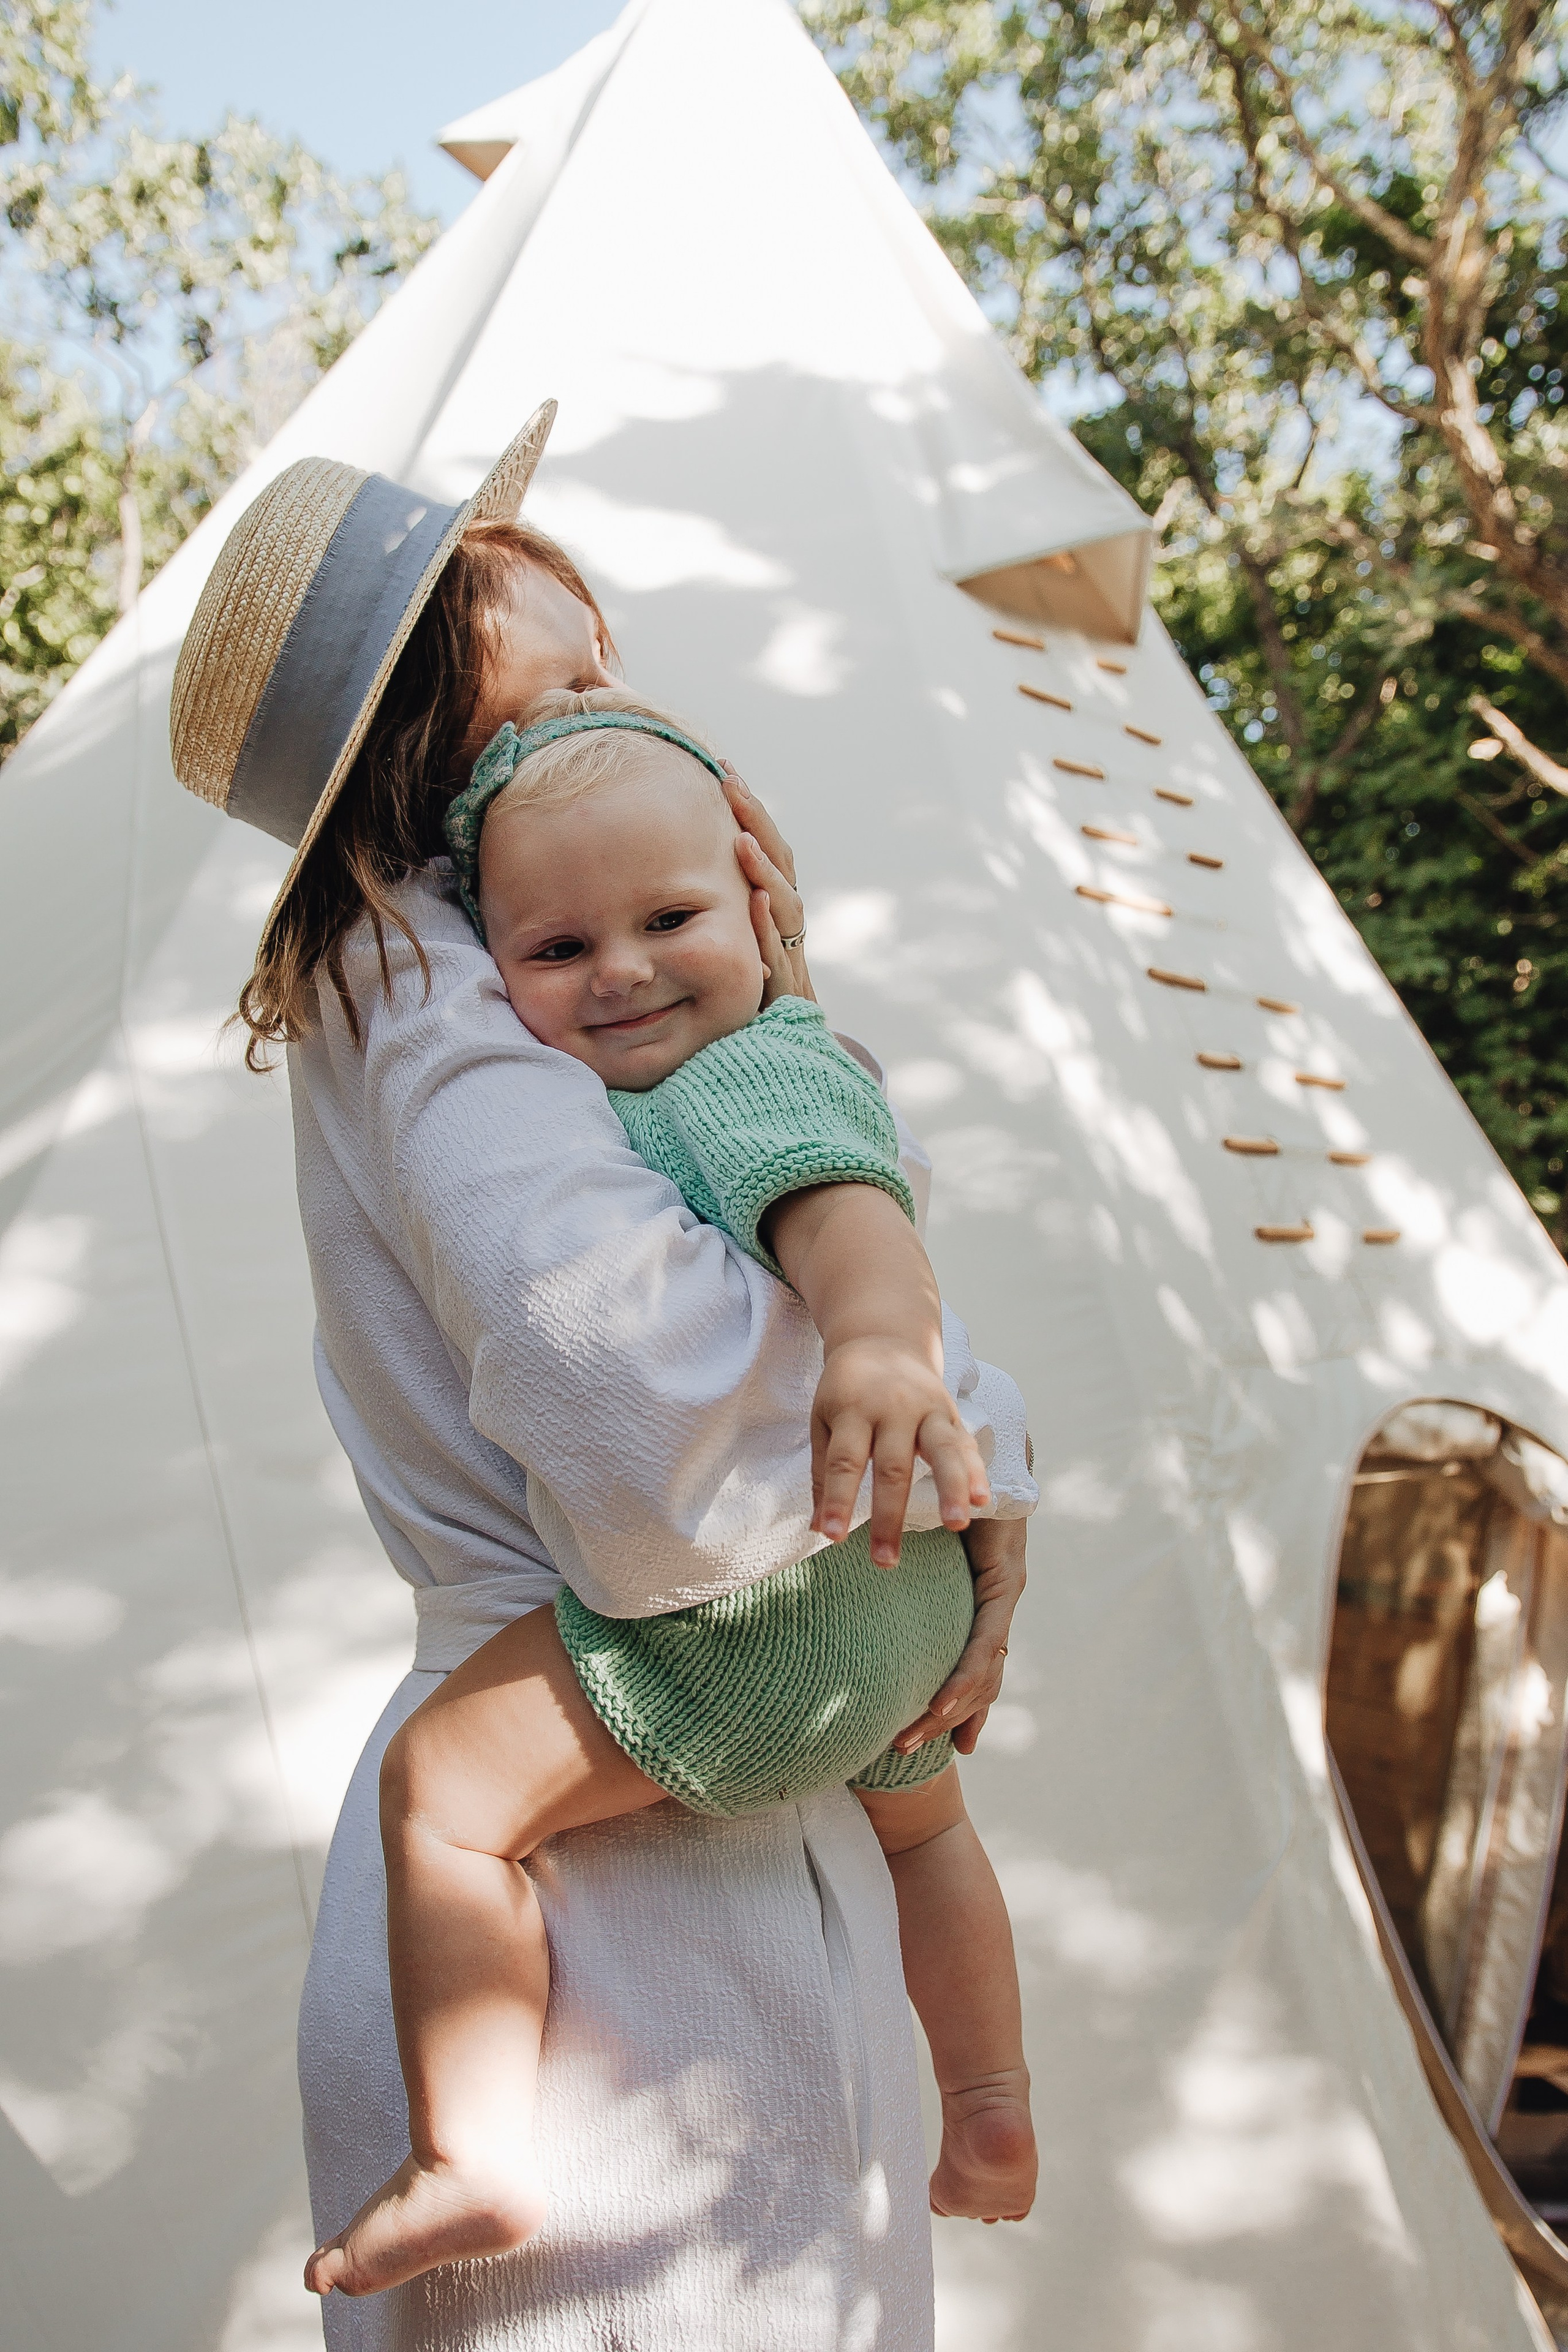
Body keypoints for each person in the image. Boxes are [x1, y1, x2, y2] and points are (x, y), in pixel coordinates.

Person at [170, 405, 1033, 2352]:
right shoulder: (439, 981)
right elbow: (645, 1419)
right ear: (426, 789)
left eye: (602, 660)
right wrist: (919, 1497)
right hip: (628, 1960)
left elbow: (823, 1253)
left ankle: (989, 2097)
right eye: (547, 699)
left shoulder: (574, 965)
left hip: (708, 1854)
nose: (611, 717)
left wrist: (974, 1470)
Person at [302, 686, 1039, 2298]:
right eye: (558, 955)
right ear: (488, 946)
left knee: (444, 1799)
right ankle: (989, 2106)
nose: (622, 971)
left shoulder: (745, 1078)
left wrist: (885, 1351)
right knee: (929, 1841)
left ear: (758, 904)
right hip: (898, 1608)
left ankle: (472, 2156)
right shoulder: (719, 1055)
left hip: (766, 1618)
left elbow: (851, 1219)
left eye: (671, 920)